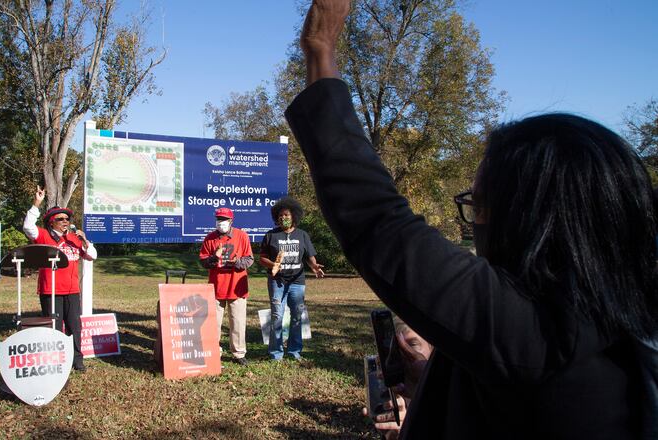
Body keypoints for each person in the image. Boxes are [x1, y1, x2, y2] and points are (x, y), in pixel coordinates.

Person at [287, 1, 658, 439]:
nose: (475, 225)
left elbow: (377, 221)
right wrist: (436, 384)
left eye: (481, 207)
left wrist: (319, 48)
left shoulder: (543, 333)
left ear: (534, 223)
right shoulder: (621, 329)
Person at [23, 185, 97, 372]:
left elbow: (93, 256)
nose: (65, 221)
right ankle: (56, 360)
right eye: (60, 219)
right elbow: (28, 227)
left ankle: (77, 360)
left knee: (75, 327)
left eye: (67, 218)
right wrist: (37, 203)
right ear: (51, 222)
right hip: (51, 290)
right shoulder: (44, 236)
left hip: (72, 291)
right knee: (54, 328)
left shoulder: (74, 238)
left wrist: (85, 241)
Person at [259, 196, 324, 360]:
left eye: (286, 215)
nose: (283, 218)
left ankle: (295, 351)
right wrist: (273, 264)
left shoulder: (302, 235)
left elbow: (310, 256)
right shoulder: (271, 235)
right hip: (277, 282)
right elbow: (262, 258)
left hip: (297, 282)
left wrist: (314, 266)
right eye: (280, 216)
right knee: (277, 316)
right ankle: (276, 353)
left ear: (294, 216)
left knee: (296, 316)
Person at [199, 207, 254, 366]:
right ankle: (214, 352)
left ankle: (239, 354)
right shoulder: (210, 238)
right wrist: (213, 259)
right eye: (218, 219)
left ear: (231, 221)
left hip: (237, 287)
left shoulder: (242, 236)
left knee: (237, 322)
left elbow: (249, 260)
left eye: (224, 219)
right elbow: (203, 262)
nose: (221, 222)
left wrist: (236, 262)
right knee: (213, 324)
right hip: (216, 288)